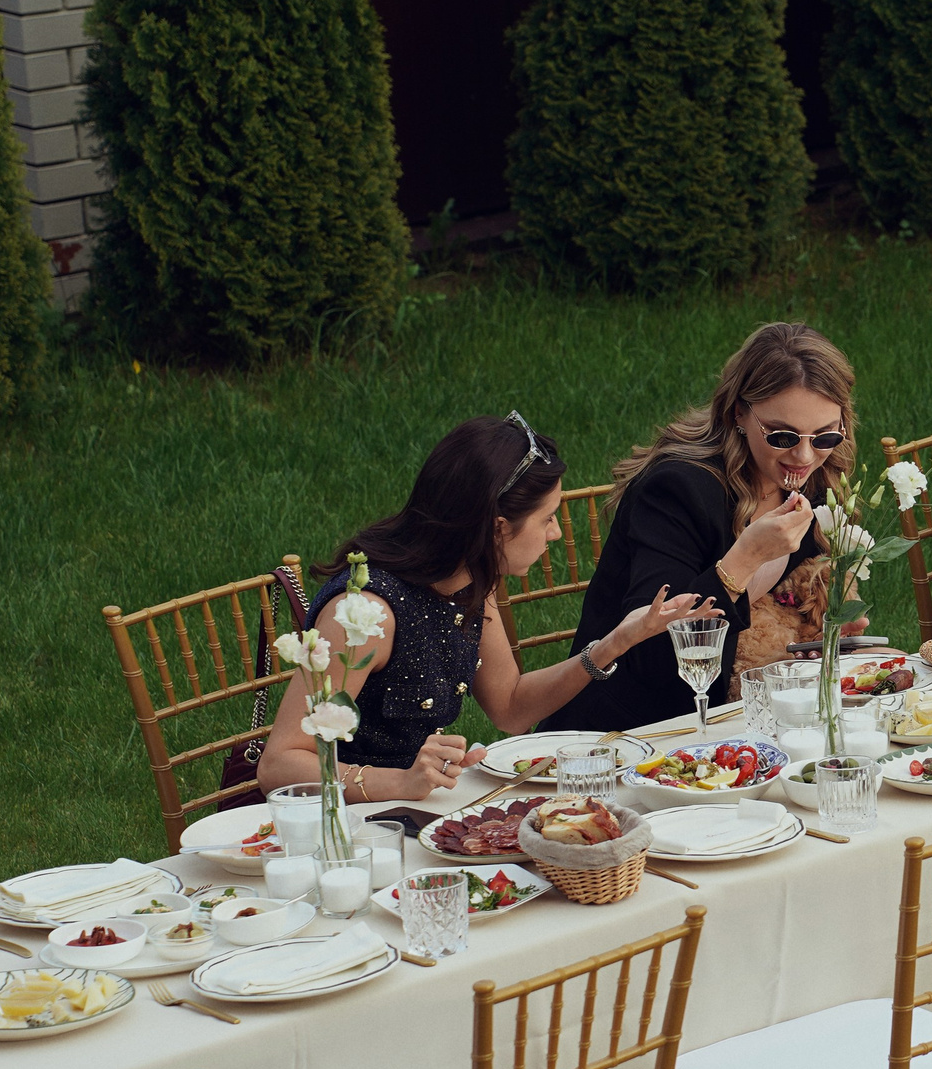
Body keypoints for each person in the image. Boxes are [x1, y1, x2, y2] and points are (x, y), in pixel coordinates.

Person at [256, 414, 711, 801]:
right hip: (351, 830)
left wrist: (617, 642)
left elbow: (510, 708)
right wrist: (401, 782)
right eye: (547, 518)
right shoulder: (368, 612)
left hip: (422, 809)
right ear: (497, 528)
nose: (555, 533)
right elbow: (280, 764)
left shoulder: (470, 581)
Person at [542, 323, 866, 735]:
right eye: (782, 435)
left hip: (750, 719)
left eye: (825, 435)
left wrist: (816, 633)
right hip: (631, 731)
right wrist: (743, 561)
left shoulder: (813, 481)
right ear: (739, 414)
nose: (804, 455)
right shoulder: (677, 490)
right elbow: (651, 659)